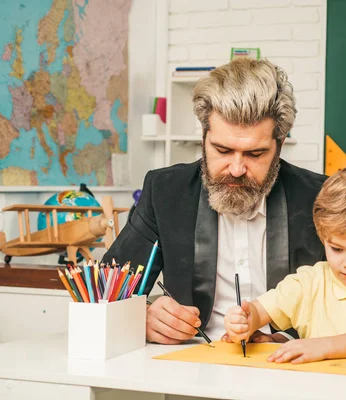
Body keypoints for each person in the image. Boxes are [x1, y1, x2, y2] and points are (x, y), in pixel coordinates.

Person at [103, 58, 327, 344]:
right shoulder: (165, 192)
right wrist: (142, 316)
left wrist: (287, 339)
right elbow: (105, 290)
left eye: (255, 154)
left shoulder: (320, 197)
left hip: (294, 367)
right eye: (222, 149)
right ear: (204, 137)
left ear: (279, 146)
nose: (236, 169)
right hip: (193, 366)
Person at [223, 167, 346, 364]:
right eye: (337, 249)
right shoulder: (309, 280)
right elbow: (259, 311)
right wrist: (245, 322)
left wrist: (322, 346)